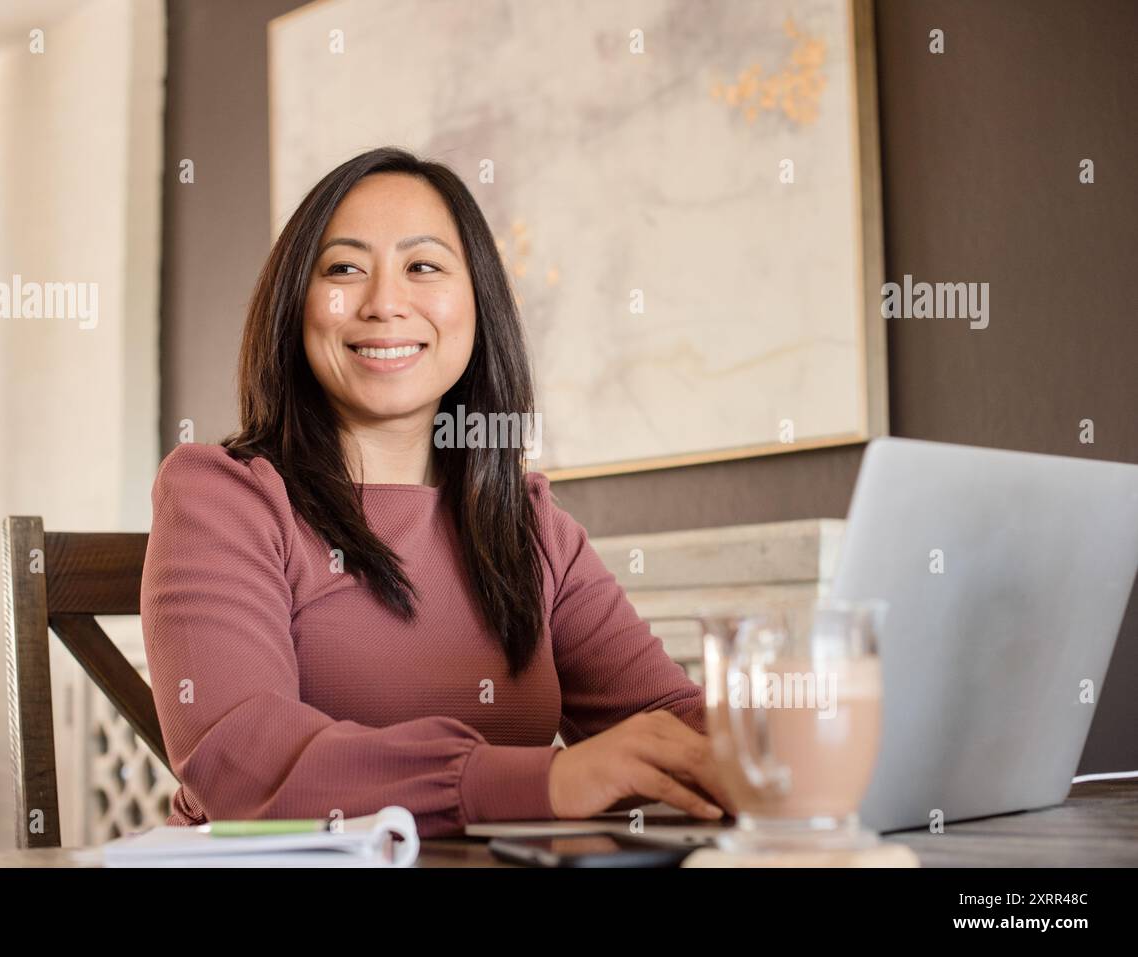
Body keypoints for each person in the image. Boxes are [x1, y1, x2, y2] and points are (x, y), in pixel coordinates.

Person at [141, 146, 734, 839]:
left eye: (423, 267)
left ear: (478, 304)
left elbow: (666, 723)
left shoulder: (529, 523)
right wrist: (547, 780)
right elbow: (241, 762)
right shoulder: (221, 495)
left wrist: (798, 736)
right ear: (296, 304)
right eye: (343, 269)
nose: (385, 303)